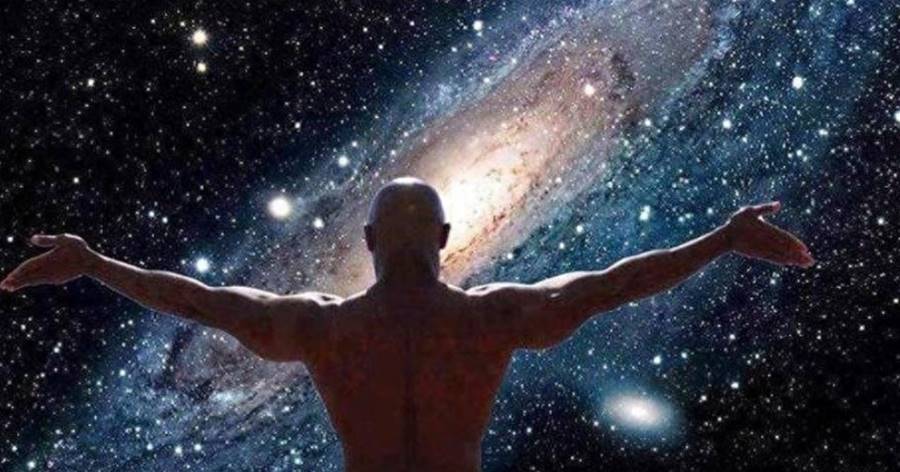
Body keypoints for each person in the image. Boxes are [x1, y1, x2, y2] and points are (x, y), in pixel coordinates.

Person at [0, 177, 814, 471]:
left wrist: (96, 264)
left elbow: (197, 301)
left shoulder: (320, 329)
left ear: (365, 241)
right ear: (447, 238)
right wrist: (722, 239)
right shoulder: (495, 317)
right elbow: (618, 283)